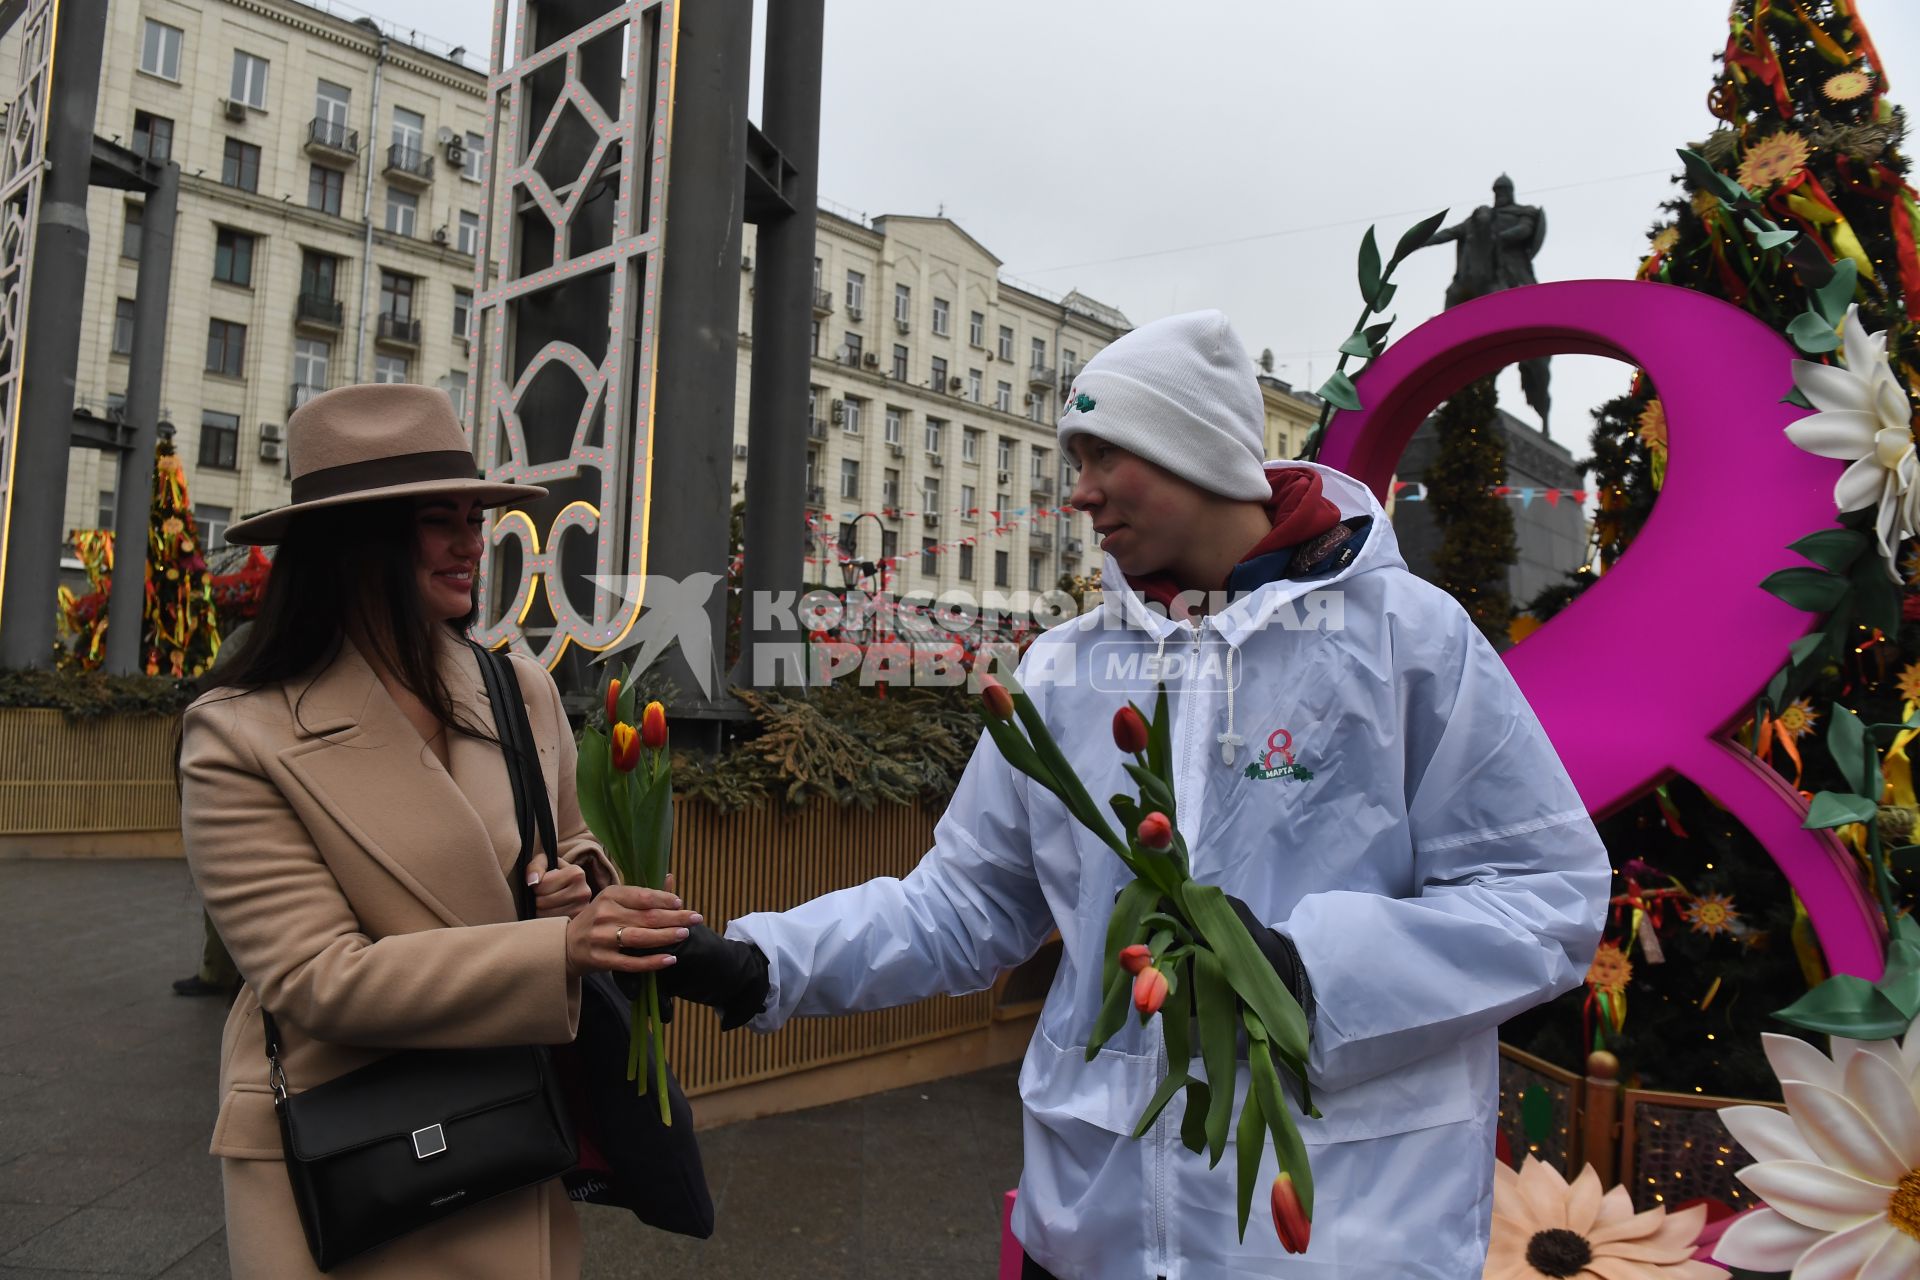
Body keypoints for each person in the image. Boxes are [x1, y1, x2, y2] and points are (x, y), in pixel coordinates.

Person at [658, 311, 1610, 1277]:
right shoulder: (1065, 670)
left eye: (1105, 453)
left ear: (1192, 447)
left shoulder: (1406, 638)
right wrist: (760, 963)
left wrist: (1307, 970)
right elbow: (968, 904)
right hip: (1091, 1232)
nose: (1079, 492)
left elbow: (1544, 898)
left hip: (1339, 1239)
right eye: (1075, 458)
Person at [178, 384, 700, 1278]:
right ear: (354, 543)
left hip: (506, 1130)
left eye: (476, 516)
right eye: (439, 521)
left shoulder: (516, 688)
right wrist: (555, 953)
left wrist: (579, 884)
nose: (473, 543)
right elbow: (313, 978)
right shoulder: (238, 734)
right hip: (346, 1156)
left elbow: (568, 840)